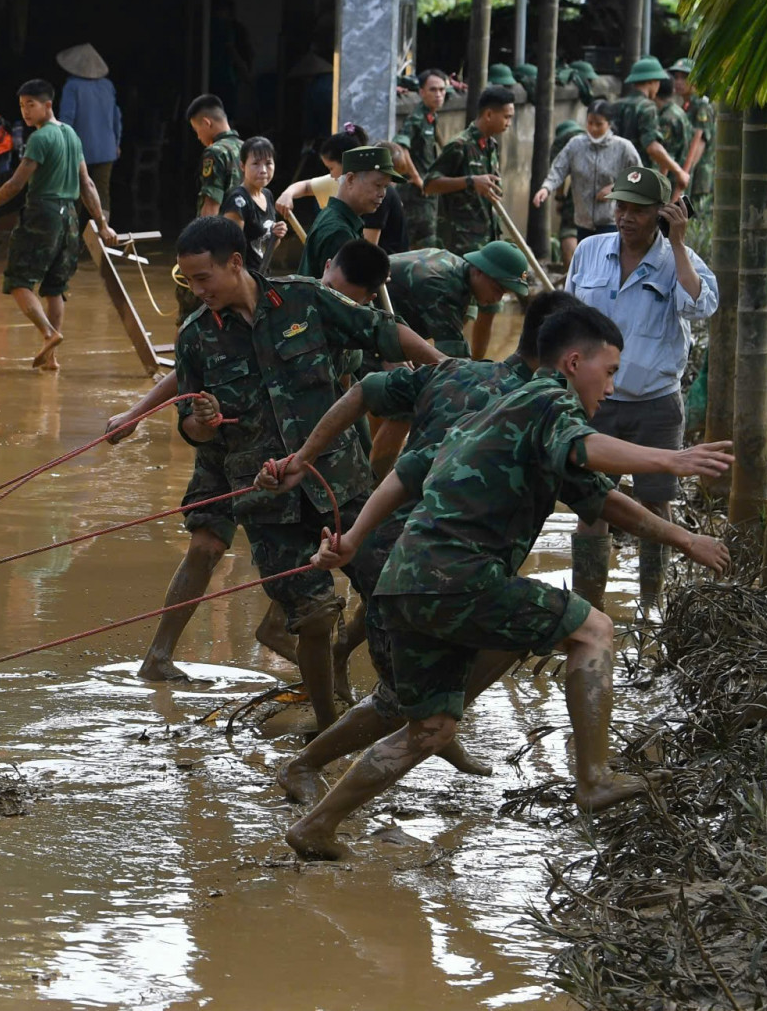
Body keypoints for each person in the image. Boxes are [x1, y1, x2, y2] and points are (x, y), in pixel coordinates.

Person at [281, 306, 733, 858]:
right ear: (573, 362)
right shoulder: (550, 402)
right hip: (459, 578)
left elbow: (411, 470)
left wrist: (352, 539)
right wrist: (671, 458)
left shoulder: (498, 410)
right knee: (593, 630)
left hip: (404, 581)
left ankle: (315, 827)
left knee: (430, 728)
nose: (612, 388)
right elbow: (584, 449)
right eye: (609, 371)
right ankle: (594, 779)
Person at [261, 290, 588, 800]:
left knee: (498, 640)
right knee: (400, 702)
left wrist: (304, 457)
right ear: (572, 354)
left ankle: (436, 721)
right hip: (426, 564)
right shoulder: (536, 410)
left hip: (427, 561)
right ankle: (313, 765)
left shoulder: (457, 371)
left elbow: (368, 391)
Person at [172, 218, 441, 733]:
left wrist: (446, 367)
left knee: (392, 592)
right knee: (314, 616)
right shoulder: (196, 337)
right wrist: (201, 422)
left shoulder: (305, 300)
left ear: (235, 262)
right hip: (267, 504)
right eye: (191, 282)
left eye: (205, 278)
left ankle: (411, 713)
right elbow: (191, 428)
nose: (199, 292)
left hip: (343, 485)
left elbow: (383, 331)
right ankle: (328, 723)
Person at [110, 239, 396, 683]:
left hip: (294, 457)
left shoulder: (339, 327)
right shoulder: (289, 295)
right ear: (325, 269)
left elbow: (346, 399)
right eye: (334, 285)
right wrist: (135, 413)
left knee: (315, 552)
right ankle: (159, 656)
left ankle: (296, 641)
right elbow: (193, 368)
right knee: (206, 546)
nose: (340, 297)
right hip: (229, 448)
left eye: (351, 297)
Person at [563, 165, 719, 605]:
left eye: (637, 209)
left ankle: (651, 604)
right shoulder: (590, 251)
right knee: (593, 505)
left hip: (655, 405)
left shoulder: (679, 261)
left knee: (655, 506)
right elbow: (567, 318)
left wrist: (679, 244)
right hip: (595, 406)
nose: (625, 216)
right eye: (620, 206)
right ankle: (587, 607)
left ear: (663, 214)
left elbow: (701, 306)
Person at [0, 79, 118, 371]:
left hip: (43, 214)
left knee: (18, 281)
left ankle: (49, 333)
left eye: (31, 105)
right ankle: (50, 357)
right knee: (54, 287)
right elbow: (86, 184)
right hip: (69, 219)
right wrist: (102, 224)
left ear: (48, 105)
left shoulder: (40, 139)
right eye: (22, 106)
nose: (25, 111)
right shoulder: (72, 135)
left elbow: (14, 185)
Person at [531, 102, 644, 260]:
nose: (593, 129)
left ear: (609, 124)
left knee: (607, 262)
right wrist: (546, 188)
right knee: (587, 262)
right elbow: (559, 168)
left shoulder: (624, 148)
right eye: (590, 123)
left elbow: (638, 178)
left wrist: (615, 189)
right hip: (583, 220)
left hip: (612, 220)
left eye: (599, 124)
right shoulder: (576, 145)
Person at [385, 240, 531, 357]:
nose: (498, 299)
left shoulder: (459, 268)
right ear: (479, 271)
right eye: (497, 290)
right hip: (368, 327)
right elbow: (453, 365)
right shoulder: (443, 288)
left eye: (504, 293)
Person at [177, 94, 249, 324]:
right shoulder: (246, 149)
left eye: (197, 129)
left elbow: (211, 205)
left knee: (189, 312)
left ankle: (186, 358)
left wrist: (194, 248)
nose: (198, 137)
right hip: (239, 248)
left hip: (214, 246)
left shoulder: (216, 153)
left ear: (207, 122)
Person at [422, 86, 511, 257]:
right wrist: (470, 181)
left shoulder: (491, 146)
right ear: (489, 115)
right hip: (460, 242)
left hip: (486, 238)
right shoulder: (460, 145)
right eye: (506, 117)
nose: (509, 123)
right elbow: (430, 184)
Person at [298, 144, 403, 279]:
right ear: (350, 179)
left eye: (386, 187)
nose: (382, 194)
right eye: (377, 185)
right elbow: (344, 295)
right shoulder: (339, 232)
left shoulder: (342, 220)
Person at [57, 43, 123, 215]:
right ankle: (104, 236)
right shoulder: (108, 86)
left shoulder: (72, 86)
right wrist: (116, 143)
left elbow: (66, 120)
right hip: (107, 149)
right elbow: (117, 118)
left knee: (75, 193)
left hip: (79, 150)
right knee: (102, 193)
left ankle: (72, 238)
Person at [616, 57, 691, 196]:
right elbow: (652, 147)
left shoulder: (618, 105)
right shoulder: (647, 107)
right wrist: (679, 172)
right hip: (639, 179)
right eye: (657, 82)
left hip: (617, 178)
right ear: (651, 82)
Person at [221, 136, 289, 270]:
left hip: (260, 276)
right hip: (242, 279)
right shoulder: (238, 201)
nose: (263, 170)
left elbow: (263, 249)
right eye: (256, 164)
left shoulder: (267, 195)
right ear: (242, 166)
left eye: (268, 163)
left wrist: (277, 235)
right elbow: (230, 248)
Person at [398, 73, 447, 252]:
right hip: (415, 195)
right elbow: (401, 147)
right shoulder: (416, 118)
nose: (438, 94)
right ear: (421, 92)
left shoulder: (431, 117)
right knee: (422, 243)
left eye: (442, 90)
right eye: (433, 90)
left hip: (428, 192)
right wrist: (417, 179)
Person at [669, 57, 713, 208]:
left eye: (684, 77)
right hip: (686, 174)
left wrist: (685, 175)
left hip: (698, 176)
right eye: (676, 77)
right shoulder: (686, 106)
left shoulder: (701, 106)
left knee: (694, 219)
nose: (679, 82)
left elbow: (699, 142)